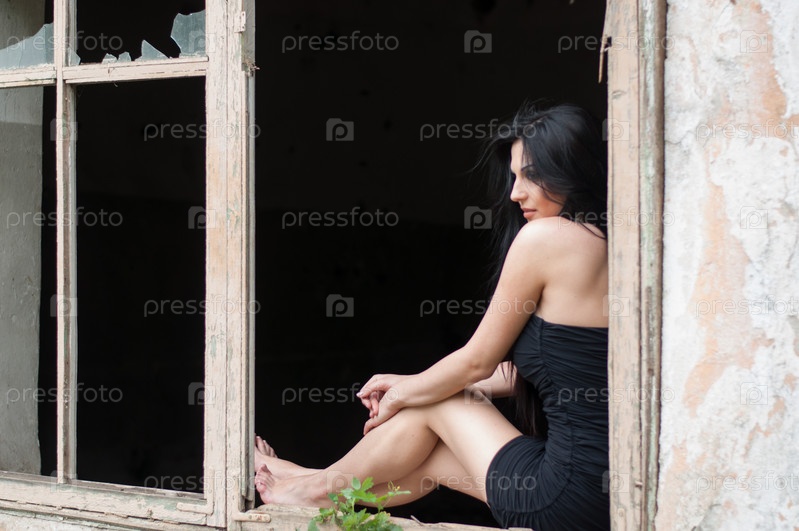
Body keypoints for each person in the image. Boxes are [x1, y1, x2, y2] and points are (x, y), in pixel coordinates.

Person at [254, 101, 610, 530]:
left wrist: (406, 394)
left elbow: (476, 362)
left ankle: (308, 488)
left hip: (566, 493)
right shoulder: (610, 243)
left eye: (531, 175)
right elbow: (543, 369)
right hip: (601, 493)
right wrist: (412, 382)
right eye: (514, 176)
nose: (515, 193)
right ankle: (305, 481)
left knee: (444, 401)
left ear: (573, 170)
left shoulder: (548, 238)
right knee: (431, 460)